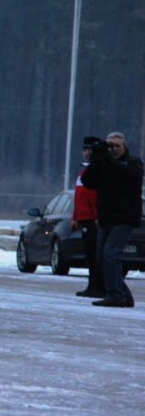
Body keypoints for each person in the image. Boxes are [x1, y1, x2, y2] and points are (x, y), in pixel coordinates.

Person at [81, 132, 144, 308]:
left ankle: (115, 294)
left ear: (124, 146)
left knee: (111, 254)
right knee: (101, 258)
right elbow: (88, 182)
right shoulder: (104, 163)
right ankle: (124, 295)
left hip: (125, 217)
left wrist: (110, 162)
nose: (113, 149)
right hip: (106, 217)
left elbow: (131, 177)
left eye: (117, 146)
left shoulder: (133, 162)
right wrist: (95, 162)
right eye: (110, 146)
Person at [73, 136, 105, 298]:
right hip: (84, 218)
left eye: (89, 150)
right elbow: (78, 197)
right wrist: (76, 217)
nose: (86, 153)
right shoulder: (85, 170)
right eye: (85, 150)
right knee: (90, 254)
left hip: (94, 219)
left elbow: (99, 197)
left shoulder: (97, 169)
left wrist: (98, 216)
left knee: (95, 254)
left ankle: (97, 286)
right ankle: (93, 285)